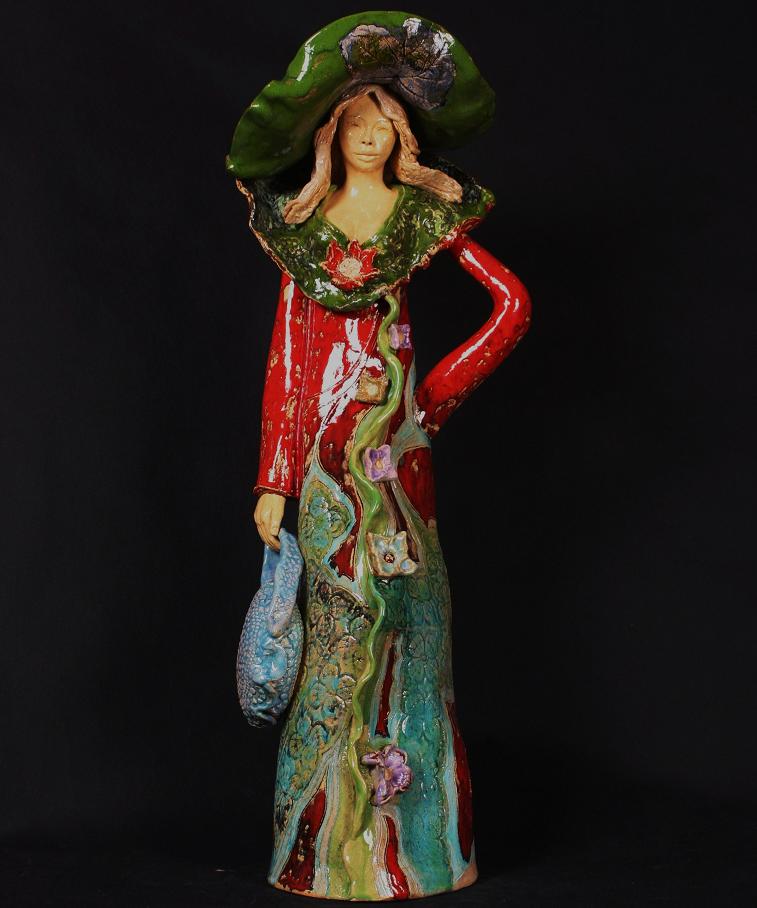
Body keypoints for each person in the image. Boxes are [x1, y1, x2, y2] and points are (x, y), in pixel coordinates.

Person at [227, 12, 531, 901]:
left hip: (397, 463)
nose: (367, 137)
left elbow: (511, 307)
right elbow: (288, 363)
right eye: (354, 123)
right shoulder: (304, 229)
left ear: (402, 138)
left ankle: (419, 847)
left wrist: (428, 402)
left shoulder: (421, 215)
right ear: (332, 135)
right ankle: (320, 846)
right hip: (323, 466)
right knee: (337, 628)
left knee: (410, 620)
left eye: (382, 125)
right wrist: (273, 480)